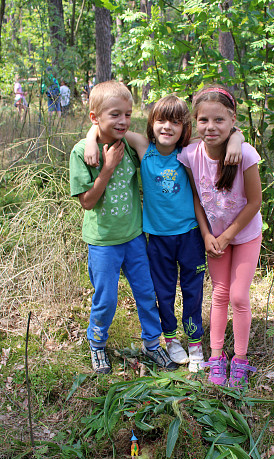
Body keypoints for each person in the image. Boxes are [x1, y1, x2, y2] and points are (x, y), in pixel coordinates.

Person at [84, 95, 244, 372]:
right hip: (157, 239)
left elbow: (223, 131)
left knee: (193, 291)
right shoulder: (144, 148)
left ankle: (195, 343)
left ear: (185, 128)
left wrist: (237, 139)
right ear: (151, 123)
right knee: (164, 291)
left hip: (190, 235)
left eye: (175, 122)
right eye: (161, 120)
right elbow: (105, 128)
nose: (167, 127)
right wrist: (89, 139)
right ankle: (170, 339)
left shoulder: (190, 151)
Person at [69, 81, 179, 374]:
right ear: (94, 117)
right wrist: (105, 168)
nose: (123, 121)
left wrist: (98, 135)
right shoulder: (81, 152)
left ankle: (152, 345)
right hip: (103, 241)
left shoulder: (127, 145)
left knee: (146, 291)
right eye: (115, 114)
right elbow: (87, 203)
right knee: (105, 298)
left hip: (133, 238)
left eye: (128, 114)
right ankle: (97, 344)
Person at [177, 86, 262, 388]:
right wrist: (205, 233)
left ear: (232, 120)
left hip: (244, 234)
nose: (210, 127)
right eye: (203, 120)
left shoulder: (245, 154)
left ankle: (239, 359)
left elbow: (254, 203)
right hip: (213, 238)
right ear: (195, 122)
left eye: (219, 121)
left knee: (239, 296)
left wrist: (226, 236)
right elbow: (198, 200)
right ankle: (216, 357)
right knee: (219, 294)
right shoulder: (190, 154)